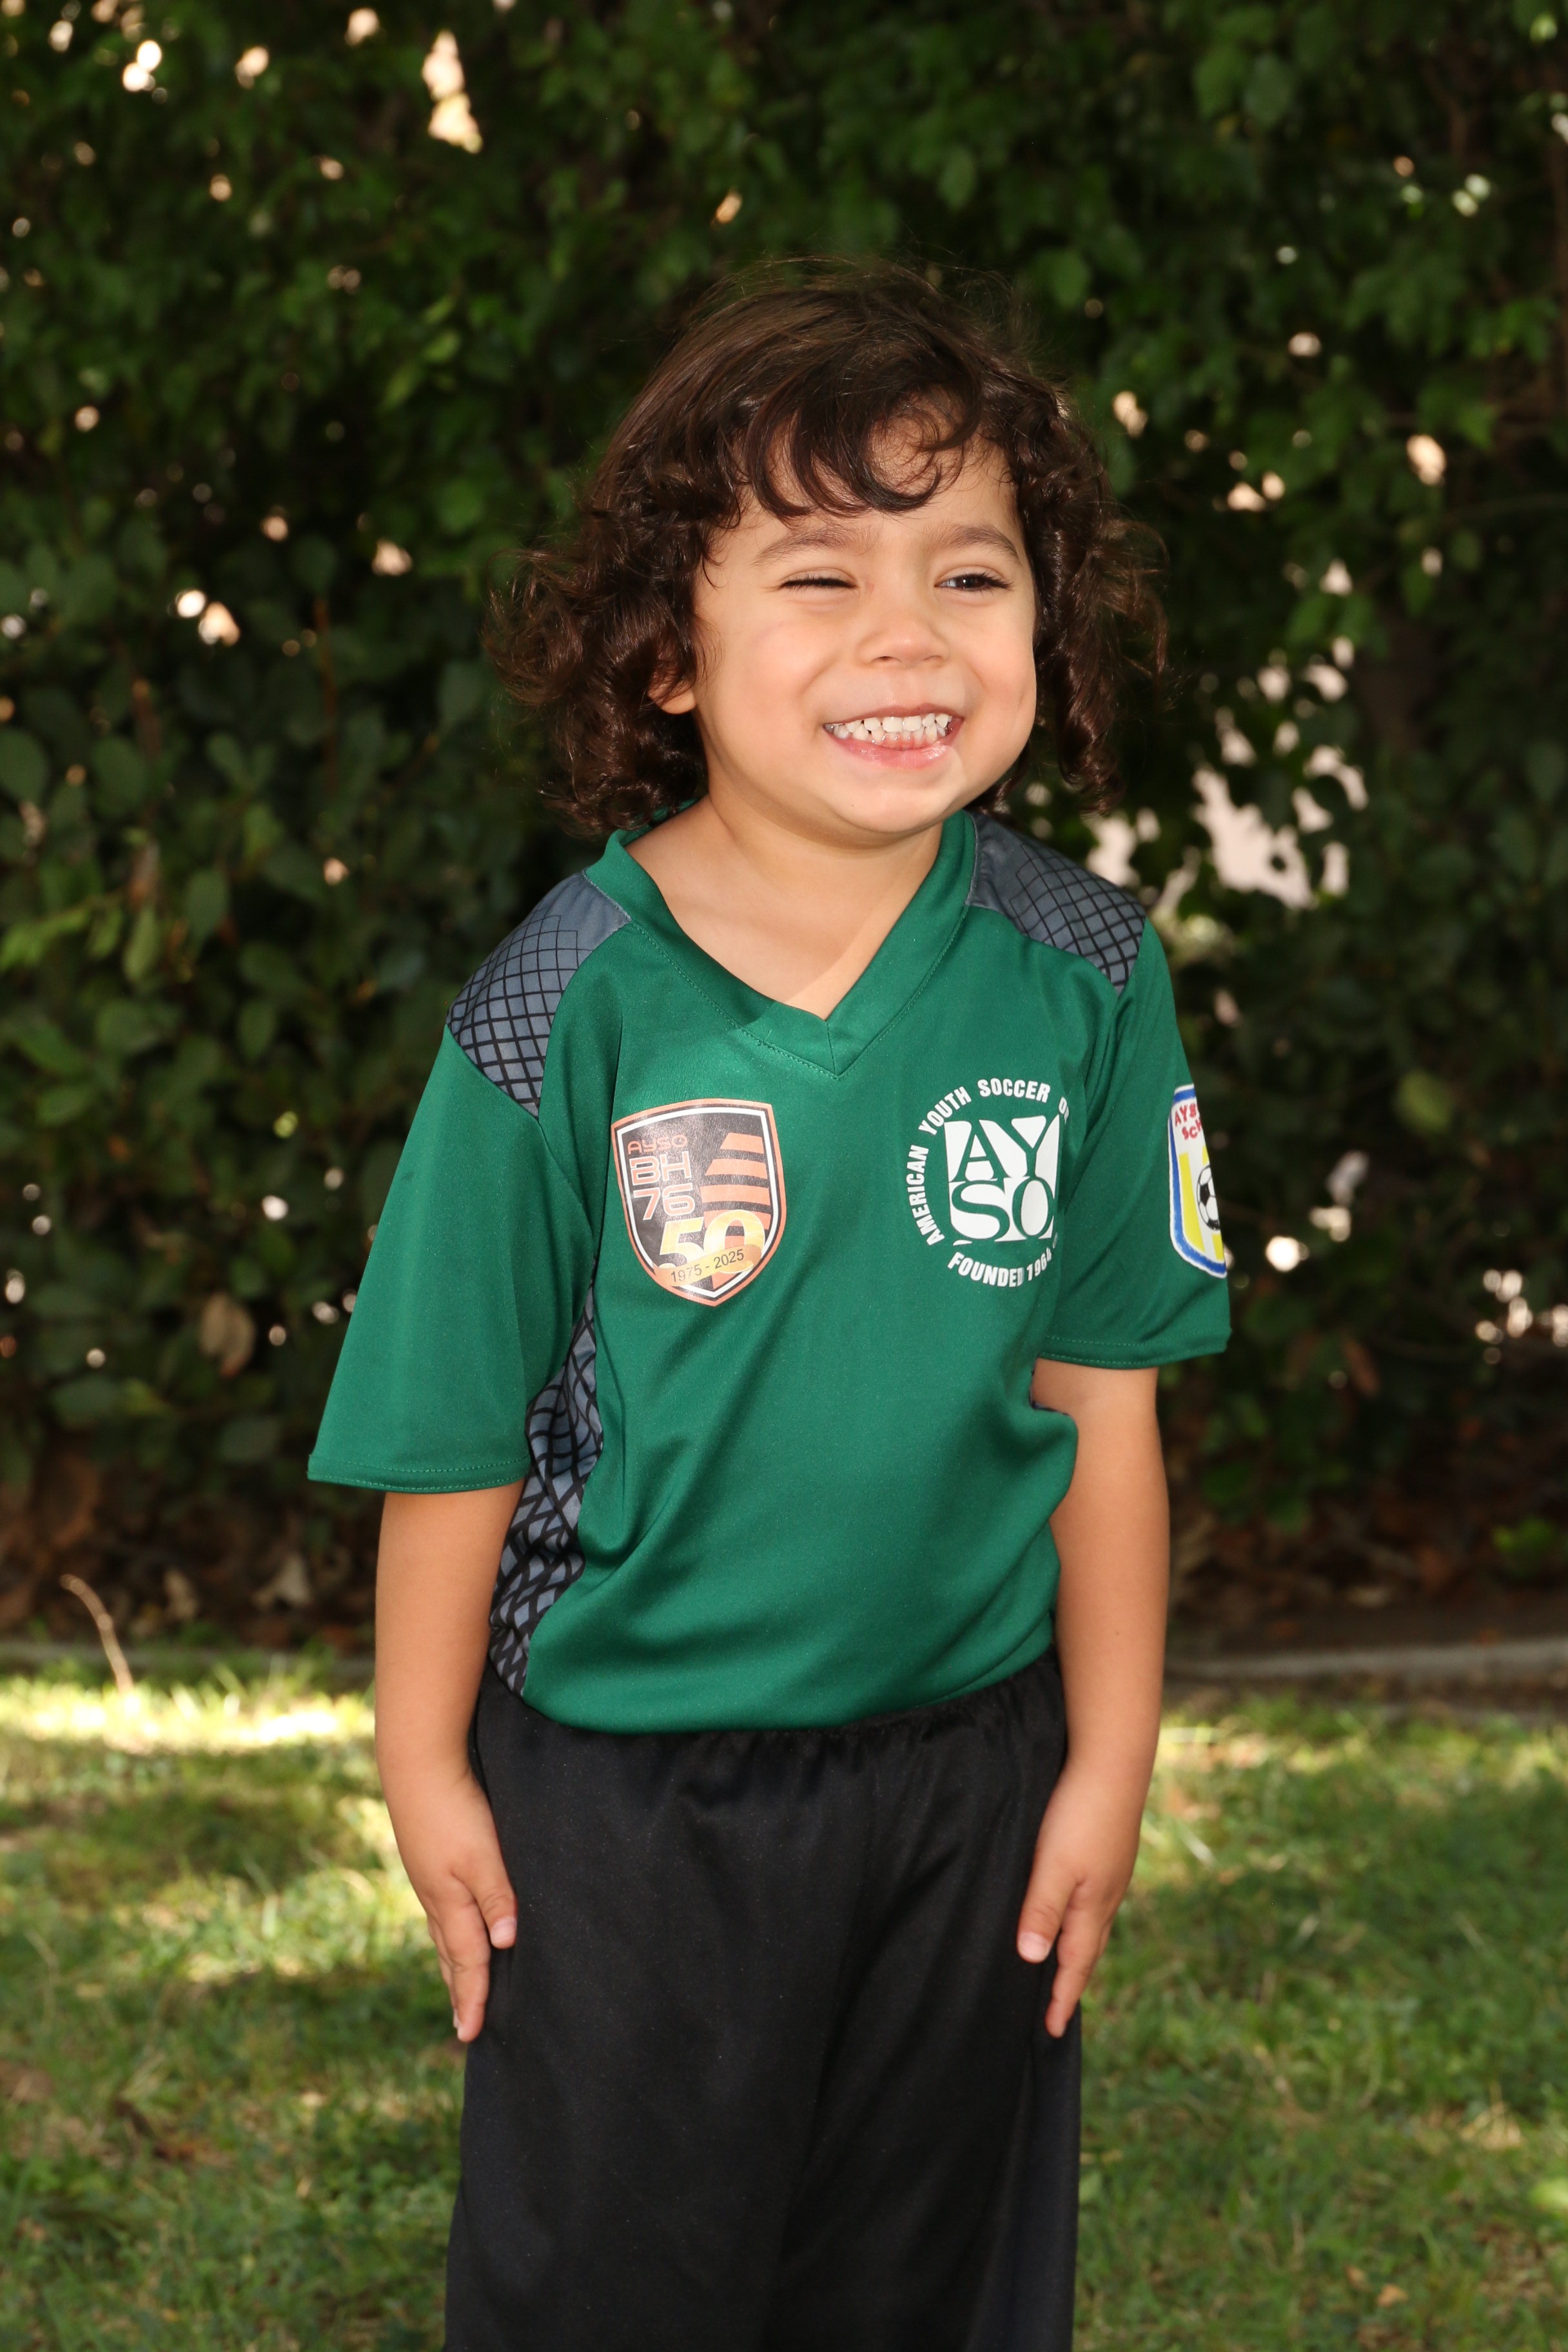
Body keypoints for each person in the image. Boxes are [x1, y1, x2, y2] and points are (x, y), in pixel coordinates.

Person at [309, 263, 1230, 2352]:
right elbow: (452, 1431)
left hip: (971, 1770)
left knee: (922, 2283)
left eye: (970, 573)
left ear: (1047, 624)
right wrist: (424, 1762)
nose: (908, 634)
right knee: (619, 2289)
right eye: (820, 578)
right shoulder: (564, 1004)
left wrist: (1106, 1761)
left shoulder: (1089, 975)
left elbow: (1104, 1399)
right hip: (630, 1796)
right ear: (667, 651)